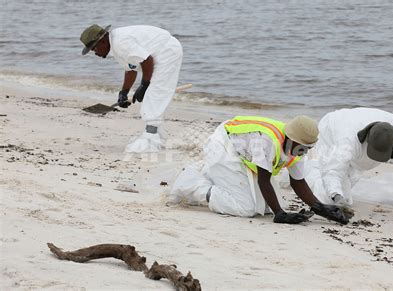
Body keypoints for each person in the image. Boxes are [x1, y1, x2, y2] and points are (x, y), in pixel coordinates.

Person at [169, 115, 350, 225]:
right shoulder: (267, 141)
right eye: (303, 146)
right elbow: (264, 180)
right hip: (224, 147)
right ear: (292, 138)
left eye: (309, 148)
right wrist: (280, 215)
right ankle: (193, 184)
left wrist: (320, 207)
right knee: (246, 208)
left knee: (263, 208)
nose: (305, 151)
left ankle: (216, 178)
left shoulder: (296, 146)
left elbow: (298, 181)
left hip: (244, 152)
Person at [304, 107, 393, 220]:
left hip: (353, 138)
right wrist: (337, 196)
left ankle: (338, 186)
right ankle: (309, 175)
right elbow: (332, 170)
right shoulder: (347, 140)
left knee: (349, 186)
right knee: (332, 198)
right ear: (367, 139)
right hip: (330, 130)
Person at [80, 24, 183, 153]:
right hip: (159, 52)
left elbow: (147, 60)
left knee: (155, 92)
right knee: (153, 93)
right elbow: (131, 68)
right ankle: (156, 135)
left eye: (94, 48)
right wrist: (124, 92)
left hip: (167, 51)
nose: (95, 53)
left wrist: (144, 85)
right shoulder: (115, 45)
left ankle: (151, 137)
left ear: (103, 41)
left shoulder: (120, 43)